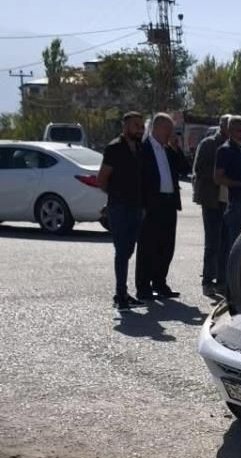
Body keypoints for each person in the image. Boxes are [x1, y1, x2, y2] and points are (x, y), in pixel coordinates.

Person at [97, 111, 147, 312]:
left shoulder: (140, 148)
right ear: (125, 126)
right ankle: (120, 294)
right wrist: (116, 197)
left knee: (128, 250)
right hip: (119, 207)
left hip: (137, 207)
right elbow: (102, 180)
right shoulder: (114, 148)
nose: (140, 129)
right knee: (121, 250)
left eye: (142, 126)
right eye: (136, 125)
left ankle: (123, 293)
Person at [135, 113, 188, 300]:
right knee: (147, 246)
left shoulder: (168, 150)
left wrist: (176, 148)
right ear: (158, 128)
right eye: (169, 130)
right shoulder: (143, 149)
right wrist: (141, 205)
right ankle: (143, 287)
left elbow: (184, 168)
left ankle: (160, 282)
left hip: (169, 203)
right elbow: (138, 179)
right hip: (151, 204)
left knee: (166, 246)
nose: (171, 134)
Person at [214, 115, 241, 293]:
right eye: (239, 131)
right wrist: (240, 184)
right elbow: (218, 178)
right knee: (234, 247)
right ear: (230, 131)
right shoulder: (225, 150)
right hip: (235, 204)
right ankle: (228, 287)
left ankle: (233, 286)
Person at [193, 114, 230, 297]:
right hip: (212, 199)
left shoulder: (237, 145)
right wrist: (221, 174)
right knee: (212, 243)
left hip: (229, 200)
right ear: (221, 126)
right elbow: (199, 168)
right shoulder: (208, 144)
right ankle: (208, 281)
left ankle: (222, 282)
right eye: (228, 125)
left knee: (226, 243)